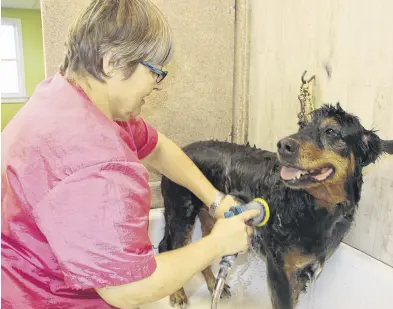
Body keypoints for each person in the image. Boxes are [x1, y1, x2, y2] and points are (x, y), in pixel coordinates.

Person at [1, 0, 259, 308]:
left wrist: (214, 198)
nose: (157, 84)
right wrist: (217, 243)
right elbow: (127, 289)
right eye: (155, 72)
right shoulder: (94, 157)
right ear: (111, 62)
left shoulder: (64, 99)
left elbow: (157, 146)